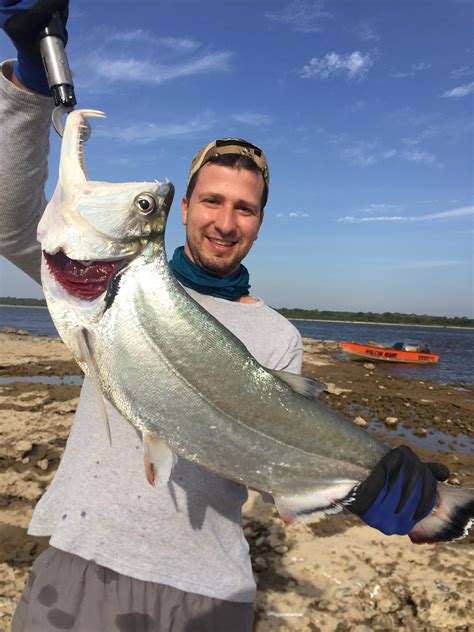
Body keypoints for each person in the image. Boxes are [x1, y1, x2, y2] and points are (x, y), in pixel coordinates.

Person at [0, 2, 448, 630]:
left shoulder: (277, 336)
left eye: (246, 208)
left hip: (208, 592)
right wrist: (26, 83)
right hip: (79, 562)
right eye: (212, 200)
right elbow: (7, 218)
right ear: (184, 208)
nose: (225, 221)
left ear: (260, 223)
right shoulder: (94, 284)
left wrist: (365, 485)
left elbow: (271, 464)